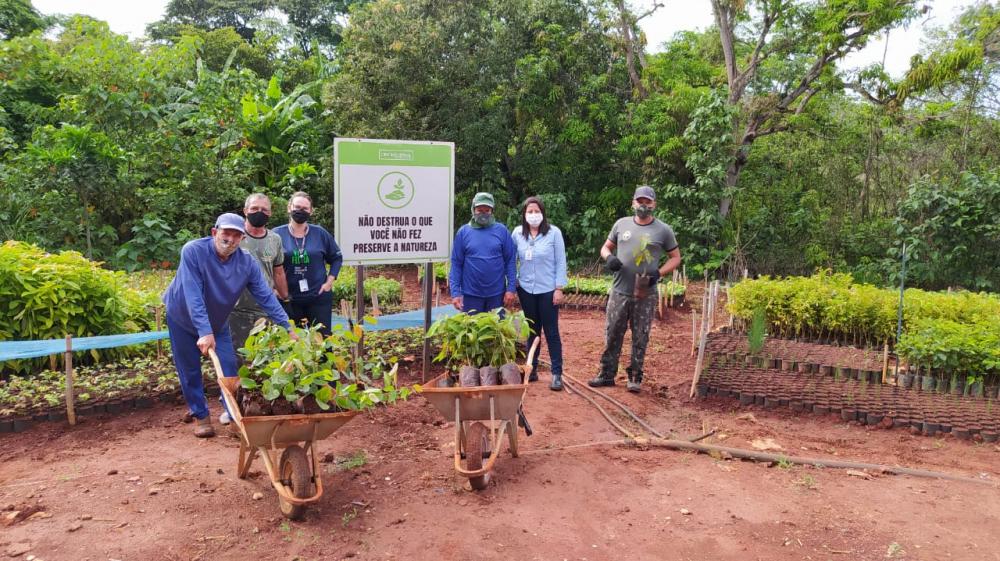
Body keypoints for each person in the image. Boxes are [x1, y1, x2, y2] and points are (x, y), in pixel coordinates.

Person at [163, 213, 294, 438]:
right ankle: (201, 415)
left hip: (218, 319)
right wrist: (204, 332)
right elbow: (193, 295)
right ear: (215, 232)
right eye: (226, 233)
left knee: (229, 367)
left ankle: (234, 416)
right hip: (181, 318)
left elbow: (265, 296)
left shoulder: (247, 263)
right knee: (189, 369)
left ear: (242, 239)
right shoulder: (193, 251)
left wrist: (288, 327)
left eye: (236, 235)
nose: (230, 239)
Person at [589, 185, 681, 393]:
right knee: (613, 332)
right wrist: (609, 258)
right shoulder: (621, 224)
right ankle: (606, 374)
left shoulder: (663, 230)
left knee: (640, 336)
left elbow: (676, 258)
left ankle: (635, 377)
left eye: (648, 202)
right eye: (640, 201)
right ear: (633, 202)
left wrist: (659, 273)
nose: (643, 205)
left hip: (645, 294)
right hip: (619, 290)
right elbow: (605, 247)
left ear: (654, 204)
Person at [512, 197, 567, 390]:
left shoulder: (554, 233)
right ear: (524, 214)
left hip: (548, 290)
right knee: (531, 331)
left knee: (551, 332)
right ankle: (532, 369)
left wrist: (559, 288)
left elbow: (560, 261)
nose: (533, 215)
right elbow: (511, 259)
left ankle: (557, 374)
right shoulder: (517, 234)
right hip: (526, 289)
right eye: (530, 211)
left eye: (537, 211)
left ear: (542, 213)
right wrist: (513, 281)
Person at [229, 193, 288, 366]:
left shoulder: (274, 239)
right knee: (236, 360)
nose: (259, 212)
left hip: (264, 308)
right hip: (236, 309)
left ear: (270, 213)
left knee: (264, 361)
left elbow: (278, 271)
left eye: (264, 209)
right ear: (245, 210)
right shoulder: (235, 236)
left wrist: (285, 297)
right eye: (254, 208)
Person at [274, 191, 343, 336]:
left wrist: (329, 282)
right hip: (288, 299)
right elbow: (266, 265)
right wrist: (274, 289)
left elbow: (336, 258)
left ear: (311, 211)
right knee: (292, 342)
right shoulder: (276, 235)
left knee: (322, 340)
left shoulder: (320, 233)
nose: (300, 211)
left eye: (305, 208)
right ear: (289, 208)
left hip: (318, 297)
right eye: (297, 207)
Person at [449, 192, 516, 314]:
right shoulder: (463, 232)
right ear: (473, 210)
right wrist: (455, 293)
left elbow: (510, 261)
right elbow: (456, 264)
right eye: (480, 210)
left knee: (496, 325)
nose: (483, 214)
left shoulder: (502, 231)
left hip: (497, 295)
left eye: (487, 210)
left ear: (492, 211)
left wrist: (511, 289)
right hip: (470, 295)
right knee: (472, 325)